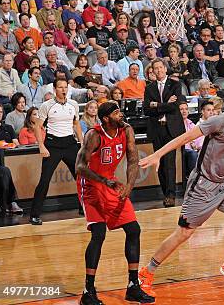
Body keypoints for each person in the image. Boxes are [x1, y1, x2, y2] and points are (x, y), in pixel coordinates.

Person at [138, 89, 224, 296]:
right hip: (203, 184)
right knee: (184, 233)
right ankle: (147, 272)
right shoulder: (219, 121)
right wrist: (158, 154)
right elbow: (184, 137)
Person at [75, 101, 154, 304]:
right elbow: (80, 167)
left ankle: (133, 286)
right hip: (91, 185)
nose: (121, 115)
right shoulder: (94, 135)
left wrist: (129, 186)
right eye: (116, 112)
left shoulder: (126, 130)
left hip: (110, 183)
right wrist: (103, 180)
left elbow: (133, 159)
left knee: (134, 229)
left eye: (120, 110)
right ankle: (88, 291)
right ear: (106, 119)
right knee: (98, 234)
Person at [30, 78, 83, 225]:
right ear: (55, 89)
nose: (64, 90)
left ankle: (83, 208)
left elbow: (76, 124)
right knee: (44, 180)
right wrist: (41, 146)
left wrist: (82, 143)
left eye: (65, 87)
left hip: (70, 144)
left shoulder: (73, 104)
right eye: (60, 87)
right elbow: (37, 126)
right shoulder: (47, 105)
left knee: (81, 177)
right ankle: (34, 214)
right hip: (52, 144)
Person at [143, 59, 184, 208]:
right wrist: (165, 103)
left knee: (170, 163)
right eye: (156, 68)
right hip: (156, 128)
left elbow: (175, 106)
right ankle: (165, 193)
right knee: (159, 162)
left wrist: (157, 105)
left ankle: (171, 194)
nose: (159, 70)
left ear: (165, 69)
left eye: (161, 67)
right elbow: (146, 109)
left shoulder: (175, 84)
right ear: (152, 71)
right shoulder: (149, 88)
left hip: (171, 128)